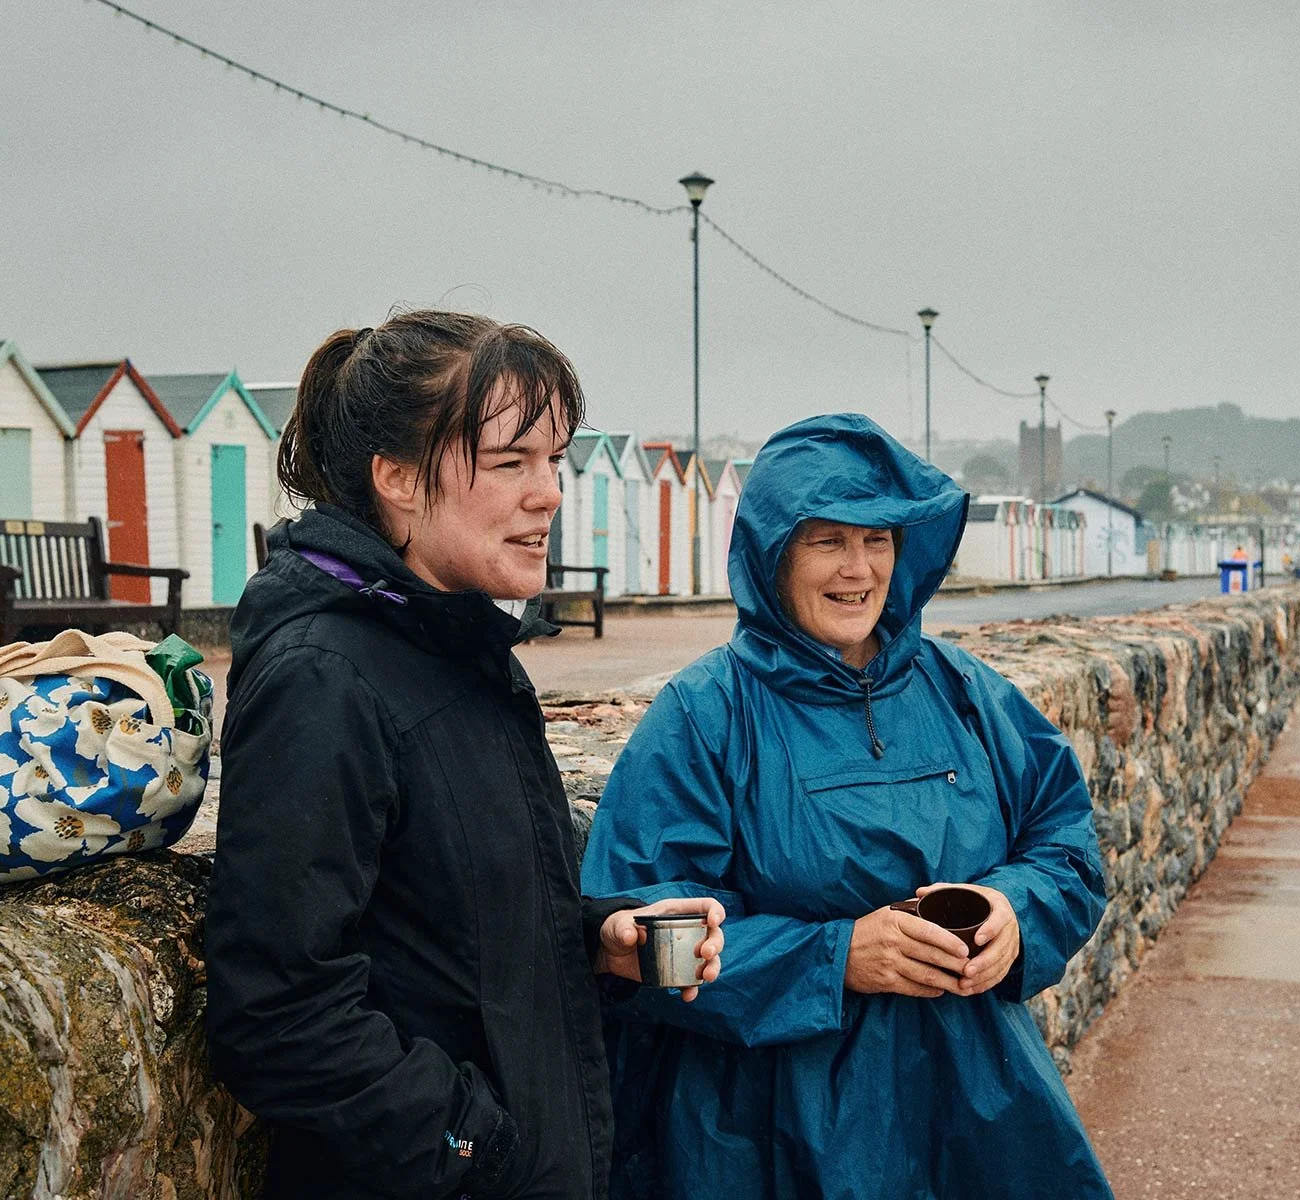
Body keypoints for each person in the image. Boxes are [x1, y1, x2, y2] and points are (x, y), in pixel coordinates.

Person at [205, 311, 723, 1200]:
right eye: (511, 462)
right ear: (399, 479)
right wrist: (480, 1149)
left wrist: (596, 939)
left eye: (554, 460)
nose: (549, 493)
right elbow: (279, 1013)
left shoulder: (455, 646)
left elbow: (443, 924)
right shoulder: (323, 679)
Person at [580, 413, 1114, 1199]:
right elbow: (647, 942)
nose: (857, 568)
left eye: (878, 539)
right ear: (773, 552)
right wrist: (836, 959)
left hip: (974, 1105)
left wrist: (1015, 912)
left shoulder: (965, 692)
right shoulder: (706, 713)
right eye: (827, 540)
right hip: (769, 1127)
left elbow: (1066, 842)